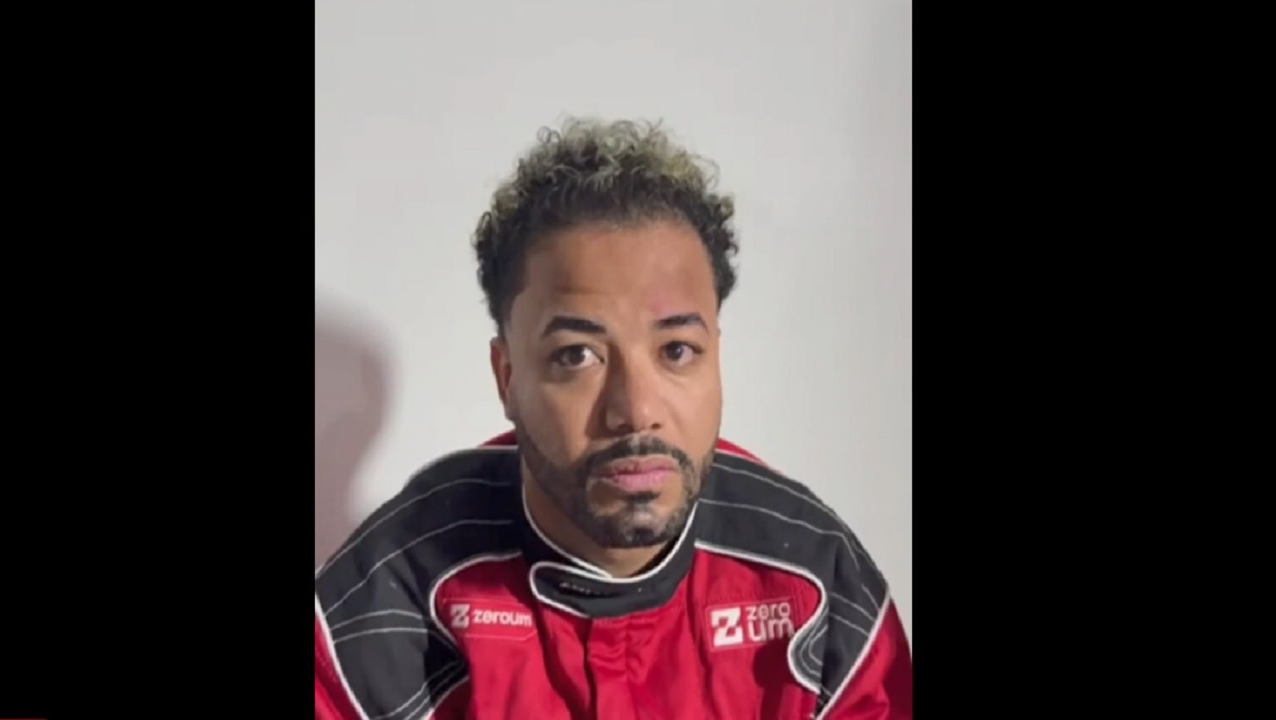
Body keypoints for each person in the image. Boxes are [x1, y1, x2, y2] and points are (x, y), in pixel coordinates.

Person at [314, 118, 913, 720]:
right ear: (508, 377)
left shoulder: (814, 579)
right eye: (577, 356)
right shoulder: (396, 587)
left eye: (677, 350)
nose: (637, 411)